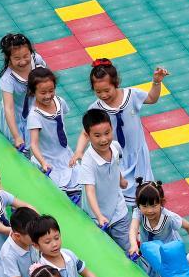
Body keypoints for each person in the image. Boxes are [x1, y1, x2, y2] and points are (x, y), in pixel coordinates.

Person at [72, 58, 168, 204]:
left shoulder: (131, 95)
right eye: (98, 92)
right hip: (116, 158)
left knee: (143, 193)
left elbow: (151, 98)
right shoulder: (96, 108)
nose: (103, 95)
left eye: (107, 90)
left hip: (138, 155)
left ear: (115, 83)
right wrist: (79, 151)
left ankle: (142, 215)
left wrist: (156, 82)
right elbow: (86, 133)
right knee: (117, 194)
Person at [26, 67, 81, 204]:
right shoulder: (34, 116)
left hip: (65, 154)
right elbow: (33, 144)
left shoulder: (59, 102)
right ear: (33, 92)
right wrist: (43, 163)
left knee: (78, 182)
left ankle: (74, 196)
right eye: (43, 92)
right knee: (57, 192)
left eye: (51, 91)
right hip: (48, 159)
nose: (48, 95)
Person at [127, 179, 189, 277]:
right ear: (138, 205)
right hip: (150, 251)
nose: (149, 210)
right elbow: (133, 228)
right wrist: (133, 244)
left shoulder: (169, 217)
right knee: (151, 275)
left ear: (161, 203)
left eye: (154, 206)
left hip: (169, 253)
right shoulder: (139, 212)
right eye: (145, 206)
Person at [77, 110, 130, 250]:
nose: (104, 139)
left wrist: (121, 180)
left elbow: (116, 164)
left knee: (128, 248)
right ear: (87, 136)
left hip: (118, 210)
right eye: (97, 135)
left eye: (107, 133)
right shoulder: (88, 162)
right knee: (105, 251)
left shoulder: (115, 147)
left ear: (112, 129)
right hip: (98, 217)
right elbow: (90, 191)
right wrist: (99, 216)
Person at [0, 33, 47, 153]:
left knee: (42, 142)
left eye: (26, 56)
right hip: (16, 116)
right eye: (17, 58)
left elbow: (47, 78)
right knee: (22, 148)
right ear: (8, 57)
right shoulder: (8, 79)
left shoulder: (36, 59)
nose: (23, 61)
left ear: (30, 52)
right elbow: (9, 109)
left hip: (35, 107)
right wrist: (16, 136)